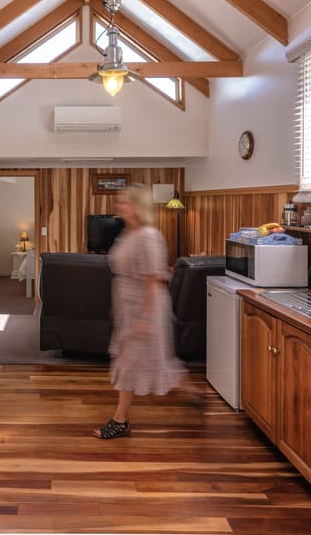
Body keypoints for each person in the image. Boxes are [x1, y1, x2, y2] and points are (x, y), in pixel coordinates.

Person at [93, 183, 187, 439]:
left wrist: (145, 318)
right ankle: (194, 396)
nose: (119, 206)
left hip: (145, 309)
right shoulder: (128, 232)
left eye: (124, 202)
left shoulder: (148, 235)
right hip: (129, 307)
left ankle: (119, 421)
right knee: (155, 361)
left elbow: (154, 278)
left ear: (136, 206)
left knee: (130, 363)